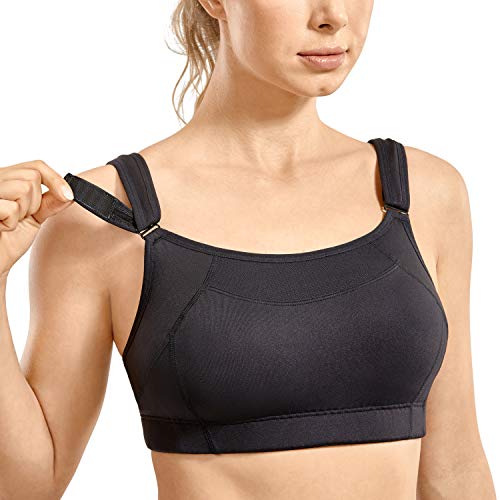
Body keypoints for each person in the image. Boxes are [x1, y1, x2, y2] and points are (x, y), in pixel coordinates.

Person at [0, 1, 496, 499]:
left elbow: (455, 471)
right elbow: (25, 487)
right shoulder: (105, 216)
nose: (333, 15)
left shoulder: (422, 195)